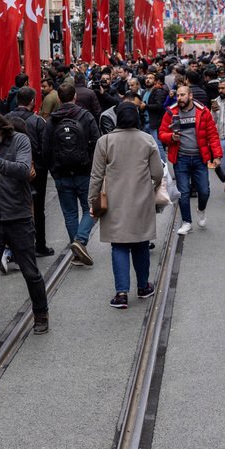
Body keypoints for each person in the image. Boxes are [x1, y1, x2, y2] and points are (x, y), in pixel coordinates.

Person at [0, 111, 52, 348]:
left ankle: (41, 313)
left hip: (18, 218)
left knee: (30, 271)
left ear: (0, 129)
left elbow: (25, 170)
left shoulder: (19, 141)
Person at [88, 104, 164, 309]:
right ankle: (143, 287)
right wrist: (152, 186)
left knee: (118, 245)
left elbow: (96, 175)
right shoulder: (147, 140)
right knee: (141, 243)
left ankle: (121, 293)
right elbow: (158, 172)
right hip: (141, 200)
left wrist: (92, 201)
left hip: (115, 201)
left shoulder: (105, 141)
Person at [46, 82, 101, 266]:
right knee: (91, 208)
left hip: (61, 173)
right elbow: (97, 141)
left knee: (69, 213)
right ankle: (81, 241)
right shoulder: (86, 116)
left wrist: (53, 170)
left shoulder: (52, 120)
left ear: (59, 99)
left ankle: (77, 251)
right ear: (74, 97)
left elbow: (47, 148)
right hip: (84, 171)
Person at [159, 84, 222, 235]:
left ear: (190, 96)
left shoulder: (202, 111)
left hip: (200, 158)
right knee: (183, 192)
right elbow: (162, 133)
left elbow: (212, 134)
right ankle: (187, 222)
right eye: (178, 95)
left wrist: (217, 155)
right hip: (181, 159)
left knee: (204, 191)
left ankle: (201, 209)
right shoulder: (171, 112)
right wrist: (171, 137)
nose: (179, 98)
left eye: (182, 95)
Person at [7, 86, 55, 260]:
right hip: (36, 171)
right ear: (33, 101)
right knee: (37, 208)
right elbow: (44, 147)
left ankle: (13, 248)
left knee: (13, 206)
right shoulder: (38, 121)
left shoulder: (6, 119)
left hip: (10, 169)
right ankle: (39, 244)